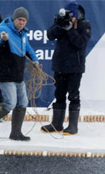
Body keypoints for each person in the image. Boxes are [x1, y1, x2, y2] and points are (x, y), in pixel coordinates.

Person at [0, 7, 40, 141]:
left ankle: (15, 133)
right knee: (10, 103)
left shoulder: (22, 33)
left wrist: (35, 59)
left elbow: (27, 47)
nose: (22, 22)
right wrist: (2, 38)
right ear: (14, 19)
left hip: (17, 73)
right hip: (5, 73)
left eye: (24, 20)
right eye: (19, 20)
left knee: (23, 102)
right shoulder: (4, 28)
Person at [40, 0, 91, 135]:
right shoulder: (61, 21)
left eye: (72, 16)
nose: (70, 18)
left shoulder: (85, 24)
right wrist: (61, 25)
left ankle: (73, 126)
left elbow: (80, 43)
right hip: (60, 65)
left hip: (75, 67)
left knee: (73, 96)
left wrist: (70, 30)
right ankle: (57, 123)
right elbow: (50, 35)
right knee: (59, 95)